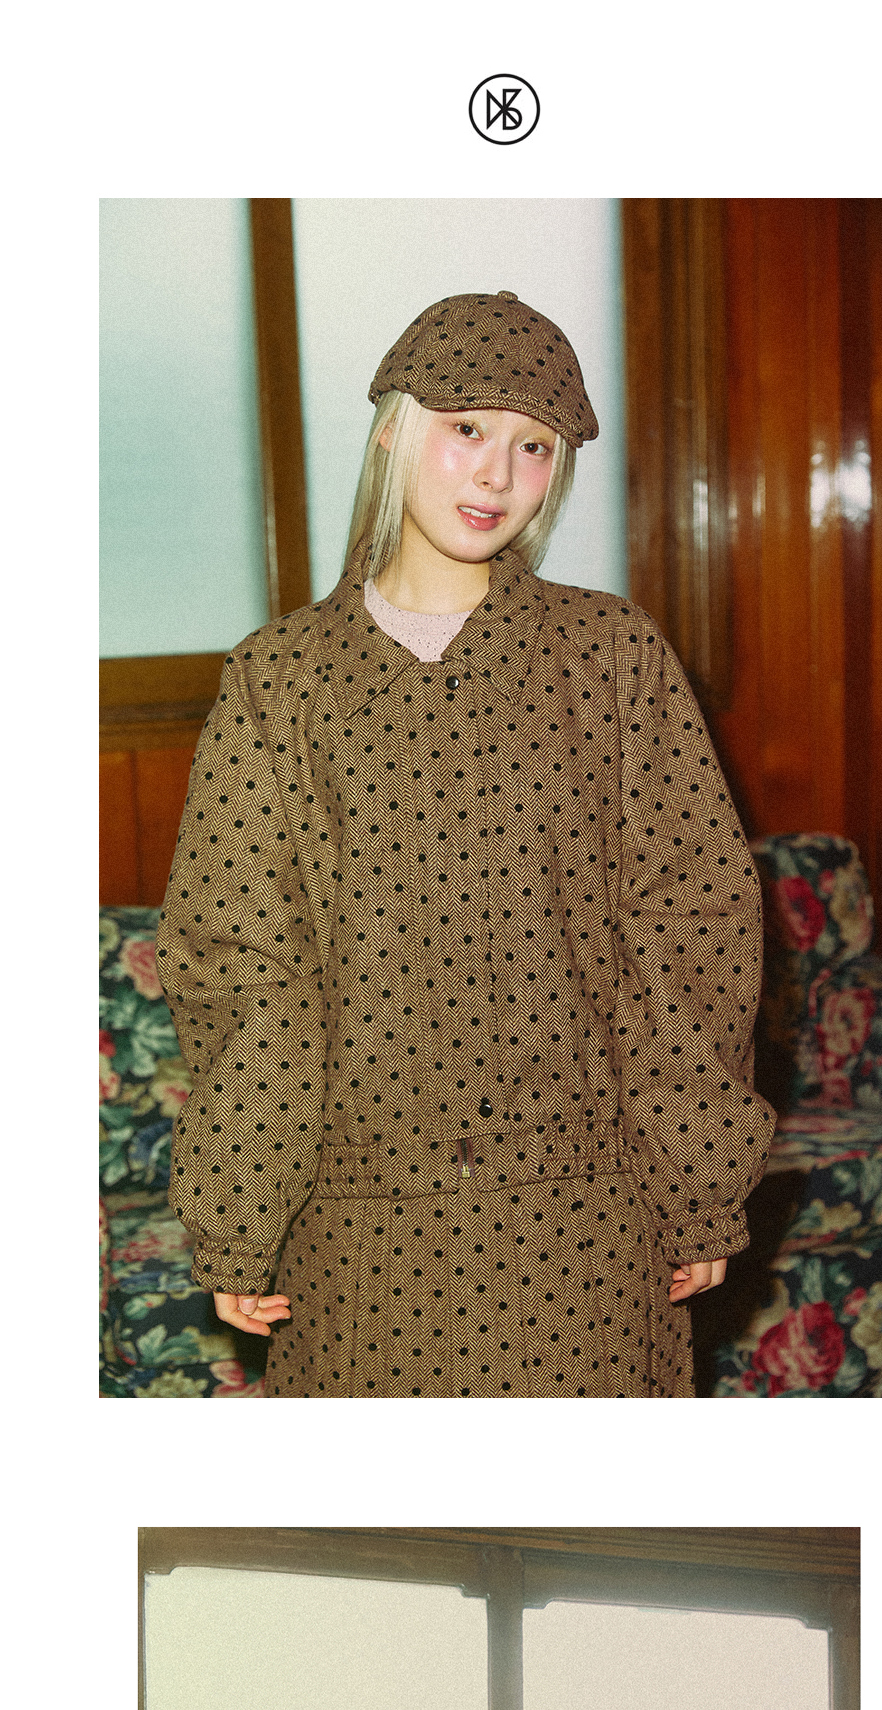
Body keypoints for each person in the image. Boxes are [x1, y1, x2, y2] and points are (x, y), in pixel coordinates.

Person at [158, 280, 773, 1403]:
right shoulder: (279, 680)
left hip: (588, 1224)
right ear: (392, 430)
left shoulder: (611, 656)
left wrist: (696, 1182)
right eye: (467, 429)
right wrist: (242, 1208)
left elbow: (689, 927)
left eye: (534, 446)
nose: (497, 473)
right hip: (359, 1235)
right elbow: (244, 963)